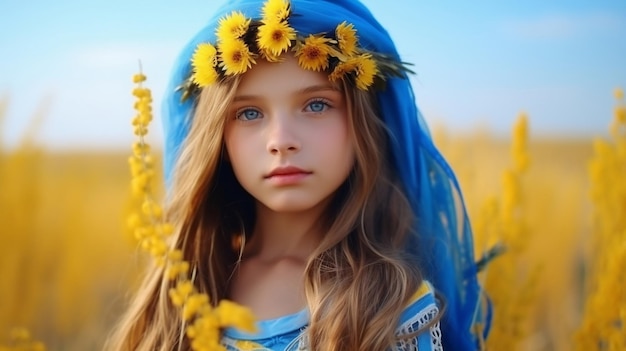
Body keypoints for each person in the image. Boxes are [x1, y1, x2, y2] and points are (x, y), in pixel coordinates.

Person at [108, 0, 491, 349]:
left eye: (317, 105)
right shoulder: (181, 286)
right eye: (249, 113)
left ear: (363, 123)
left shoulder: (388, 307)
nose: (281, 141)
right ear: (217, 138)